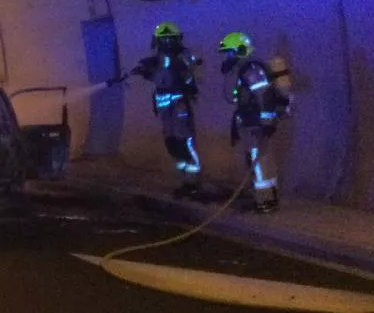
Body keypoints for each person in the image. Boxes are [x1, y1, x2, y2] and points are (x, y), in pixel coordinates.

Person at [115, 22, 205, 198]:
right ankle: (184, 181)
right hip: (165, 108)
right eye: (162, 40)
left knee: (184, 142)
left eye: (168, 39)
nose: (165, 43)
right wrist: (143, 70)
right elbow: (160, 77)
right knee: (172, 144)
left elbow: (191, 72)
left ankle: (193, 183)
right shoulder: (159, 59)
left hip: (179, 105)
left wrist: (183, 72)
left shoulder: (183, 56)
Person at [219, 31, 292, 213]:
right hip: (250, 120)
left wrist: (267, 122)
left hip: (255, 122)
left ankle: (265, 202)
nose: (227, 57)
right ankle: (266, 197)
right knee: (259, 160)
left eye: (230, 53)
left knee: (259, 161)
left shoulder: (251, 70)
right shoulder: (245, 70)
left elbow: (264, 96)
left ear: (241, 50)